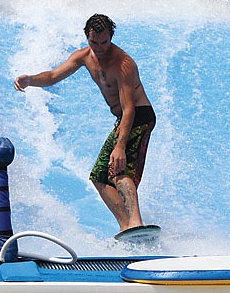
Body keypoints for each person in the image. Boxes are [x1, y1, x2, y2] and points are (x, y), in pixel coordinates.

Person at [14, 14, 155, 234]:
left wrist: (120, 146)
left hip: (139, 116)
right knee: (100, 176)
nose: (99, 48)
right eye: (94, 42)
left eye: (104, 42)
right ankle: (127, 228)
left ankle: (136, 223)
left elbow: (129, 109)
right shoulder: (83, 57)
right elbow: (52, 76)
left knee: (119, 167)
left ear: (111, 38)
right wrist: (30, 80)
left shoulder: (123, 64)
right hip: (124, 119)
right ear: (87, 38)